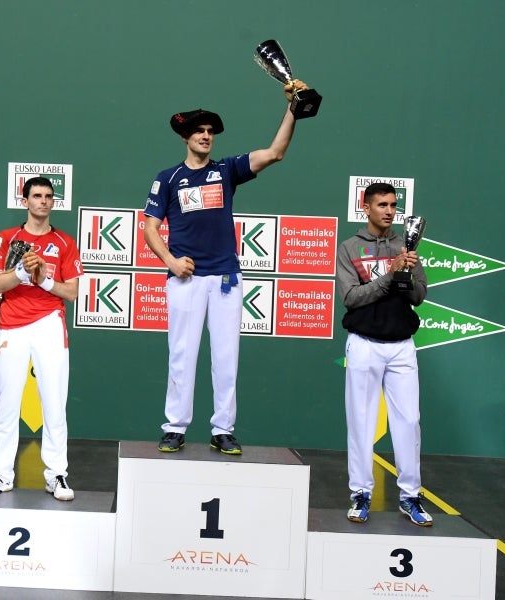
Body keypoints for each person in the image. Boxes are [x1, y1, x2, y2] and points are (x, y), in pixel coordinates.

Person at [144, 79, 310, 455]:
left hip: (224, 280)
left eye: (210, 132)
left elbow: (275, 152)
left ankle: (223, 430)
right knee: (181, 355)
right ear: (185, 137)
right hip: (184, 280)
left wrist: (293, 108)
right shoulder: (167, 178)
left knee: (225, 358)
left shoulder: (227, 170)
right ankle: (174, 427)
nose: (206, 136)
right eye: (199, 131)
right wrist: (170, 260)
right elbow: (150, 228)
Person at [0, 176, 83, 501]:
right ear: (26, 201)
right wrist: (21, 272)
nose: (43, 201)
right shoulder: (7, 238)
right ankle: (0, 473)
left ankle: (57, 475)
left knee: (54, 403)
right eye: (37, 196)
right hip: (12, 325)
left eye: (49, 196)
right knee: (6, 403)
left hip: (50, 324)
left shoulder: (64, 242)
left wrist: (44, 280)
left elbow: (72, 292)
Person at [335, 182, 432, 527]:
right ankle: (361, 494)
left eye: (393, 205)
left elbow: (419, 295)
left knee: (408, 423)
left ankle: (410, 496)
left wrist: (405, 274)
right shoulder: (349, 248)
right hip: (364, 344)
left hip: (402, 346)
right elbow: (351, 298)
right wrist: (390, 275)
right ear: (366, 207)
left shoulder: (405, 245)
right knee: (360, 422)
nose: (389, 211)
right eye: (382, 205)